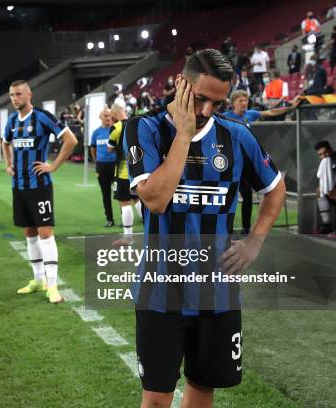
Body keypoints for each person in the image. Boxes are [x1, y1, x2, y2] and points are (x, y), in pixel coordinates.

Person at [124, 49, 285, 408]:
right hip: (160, 291)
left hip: (218, 292)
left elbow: (275, 188)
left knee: (202, 387)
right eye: (200, 99)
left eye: (217, 102)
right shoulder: (144, 128)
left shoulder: (237, 136)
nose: (206, 111)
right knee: (156, 398)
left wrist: (254, 242)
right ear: (181, 83)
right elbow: (155, 199)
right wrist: (183, 136)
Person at [3, 80, 78, 304]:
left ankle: (52, 285)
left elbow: (70, 140)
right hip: (19, 186)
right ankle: (38, 280)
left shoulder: (43, 117)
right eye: (11, 95)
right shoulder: (12, 121)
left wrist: (53, 166)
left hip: (39, 186)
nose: (14, 98)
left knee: (45, 232)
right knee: (29, 232)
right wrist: (9, 164)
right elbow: (5, 142)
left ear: (29, 94)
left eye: (18, 94)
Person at [224, 90, 300, 234]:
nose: (244, 103)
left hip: (245, 164)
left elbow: (272, 112)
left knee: (247, 196)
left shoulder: (250, 114)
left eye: (245, 100)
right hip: (230, 163)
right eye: (240, 100)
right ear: (233, 103)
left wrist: (291, 107)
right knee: (228, 196)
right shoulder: (226, 117)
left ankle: (246, 228)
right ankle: (227, 228)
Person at [107, 103, 142, 243]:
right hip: (137, 171)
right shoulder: (136, 124)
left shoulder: (116, 127)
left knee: (125, 203)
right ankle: (151, 229)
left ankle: (128, 237)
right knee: (137, 199)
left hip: (122, 172)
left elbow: (110, 148)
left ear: (114, 114)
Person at [90, 107, 116, 227]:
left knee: (121, 194)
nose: (108, 118)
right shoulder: (96, 133)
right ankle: (109, 219)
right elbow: (93, 148)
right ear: (100, 117)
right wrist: (97, 162)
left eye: (109, 116)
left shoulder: (115, 130)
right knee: (106, 194)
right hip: (102, 166)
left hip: (115, 166)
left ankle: (126, 219)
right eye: (105, 116)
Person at [314, 141, 336, 237]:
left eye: (325, 152)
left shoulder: (334, 159)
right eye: (320, 154)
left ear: (330, 149)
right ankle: (326, 224)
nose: (324, 155)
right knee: (319, 191)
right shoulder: (325, 161)